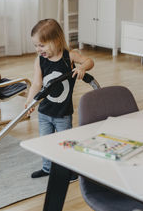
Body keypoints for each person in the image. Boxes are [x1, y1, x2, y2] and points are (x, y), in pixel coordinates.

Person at [26, 18, 94, 179]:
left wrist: (82, 68)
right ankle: (47, 168)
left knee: (65, 144)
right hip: (44, 112)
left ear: (56, 41)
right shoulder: (40, 60)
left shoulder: (68, 57)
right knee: (46, 142)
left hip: (63, 114)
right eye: (35, 45)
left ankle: (68, 170)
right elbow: (36, 83)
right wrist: (30, 100)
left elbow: (89, 61)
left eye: (41, 45)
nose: (38, 49)